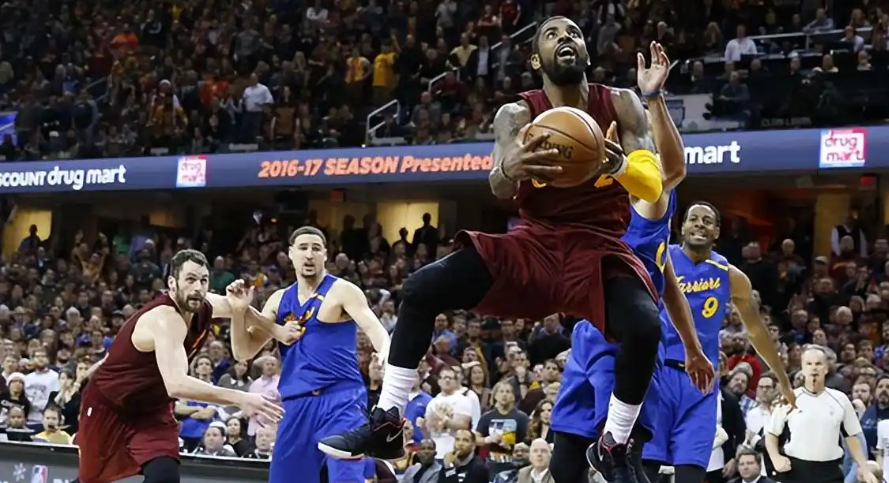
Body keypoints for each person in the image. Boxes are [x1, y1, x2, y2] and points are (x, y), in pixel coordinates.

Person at [321, 16, 670, 466]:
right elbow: (499, 185)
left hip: (599, 246)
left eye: (573, 33)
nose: (565, 38)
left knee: (645, 326)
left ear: (586, 51)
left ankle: (614, 446)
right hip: (535, 244)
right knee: (421, 289)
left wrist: (619, 166)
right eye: (552, 35)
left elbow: (654, 187)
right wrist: (511, 167)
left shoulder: (621, 103)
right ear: (535, 60)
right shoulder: (517, 114)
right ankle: (387, 422)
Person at [549, 42, 715, 483]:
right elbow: (668, 279)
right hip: (588, 335)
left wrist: (653, 99)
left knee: (624, 461)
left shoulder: (648, 198)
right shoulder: (592, 198)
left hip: (626, 338)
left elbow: (671, 173)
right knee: (564, 465)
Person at [75, 249, 289, 483]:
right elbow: (176, 385)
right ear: (172, 283)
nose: (198, 287)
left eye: (203, 280)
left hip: (152, 410)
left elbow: (239, 308)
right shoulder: (164, 319)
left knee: (164, 477)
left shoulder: (202, 304)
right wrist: (240, 398)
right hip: (111, 405)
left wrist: (277, 331)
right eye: (190, 279)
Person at [640, 203, 795, 483]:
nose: (700, 224)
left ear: (717, 232)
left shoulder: (730, 275)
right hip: (659, 374)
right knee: (645, 468)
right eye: (693, 219)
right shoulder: (660, 260)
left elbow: (757, 331)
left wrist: (783, 379)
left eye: (707, 221)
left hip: (701, 384)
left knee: (691, 472)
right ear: (682, 227)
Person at [231, 226, 391, 483]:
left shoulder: (342, 290)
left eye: (316, 249)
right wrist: (238, 313)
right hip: (296, 404)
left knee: (345, 477)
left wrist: (384, 352)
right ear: (290, 253)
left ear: (325, 254)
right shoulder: (279, 300)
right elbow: (242, 351)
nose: (309, 254)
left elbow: (374, 328)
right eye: (303, 248)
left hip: (341, 399)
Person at [767, 346, 878, 483]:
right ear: (802, 368)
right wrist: (775, 457)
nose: (814, 368)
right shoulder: (789, 398)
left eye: (818, 364)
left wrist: (864, 469)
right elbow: (771, 433)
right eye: (809, 364)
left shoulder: (840, 400)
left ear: (826, 368)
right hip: (795, 471)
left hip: (829, 472)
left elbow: (852, 436)